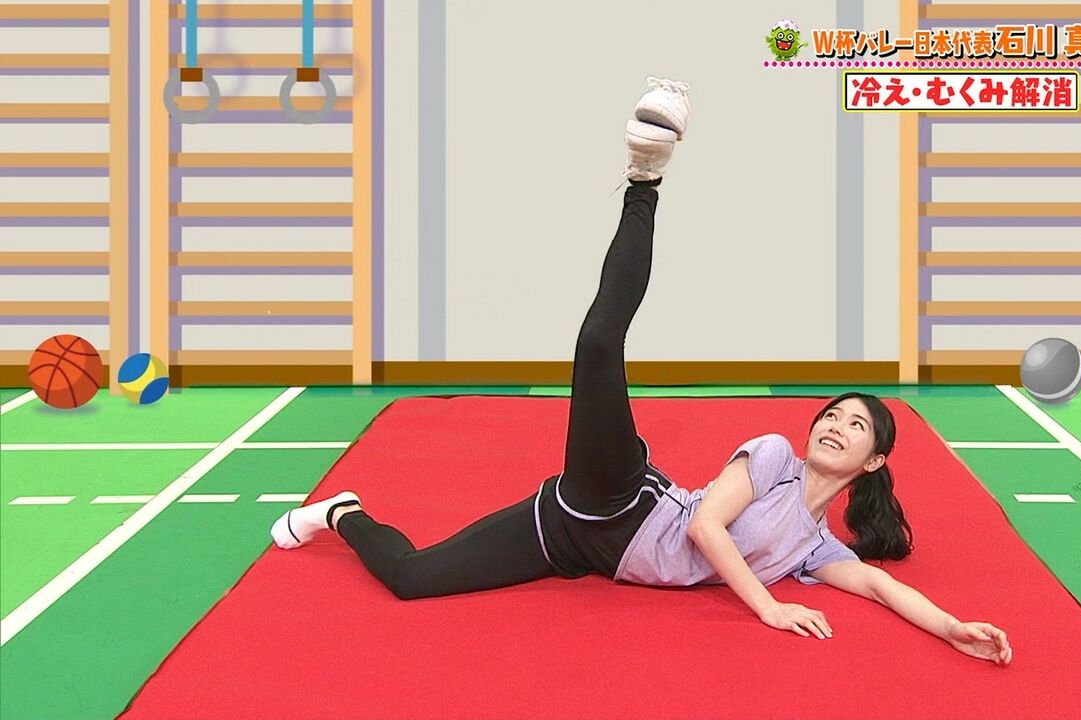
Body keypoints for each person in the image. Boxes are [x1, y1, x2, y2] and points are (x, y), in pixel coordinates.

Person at [270, 76, 1012, 666]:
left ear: (874, 460)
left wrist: (953, 627)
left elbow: (877, 585)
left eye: (857, 426)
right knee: (598, 343)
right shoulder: (774, 458)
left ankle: (343, 512)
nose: (836, 425)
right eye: (834, 414)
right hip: (618, 500)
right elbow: (708, 528)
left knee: (411, 580)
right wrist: (768, 607)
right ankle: (644, 181)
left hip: (569, 545)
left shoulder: (814, 548)